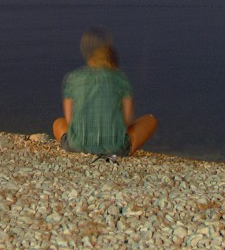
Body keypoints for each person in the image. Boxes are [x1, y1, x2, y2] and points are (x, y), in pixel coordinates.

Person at [52, 27, 157, 158]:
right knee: (151, 120)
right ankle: (118, 147)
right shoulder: (121, 78)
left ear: (90, 59)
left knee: (58, 123)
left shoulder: (73, 78)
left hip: (77, 145)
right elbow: (128, 119)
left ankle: (80, 144)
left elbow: (69, 120)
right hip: (115, 148)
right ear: (112, 62)